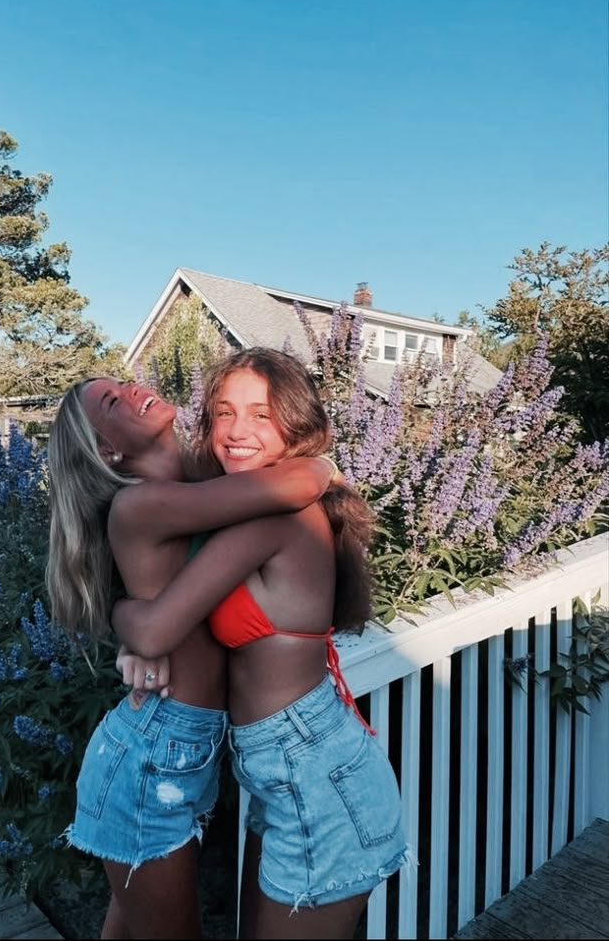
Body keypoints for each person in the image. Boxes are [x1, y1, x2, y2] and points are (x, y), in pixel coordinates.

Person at [111, 348, 410, 940]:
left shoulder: (273, 515)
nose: (237, 431)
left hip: (317, 774)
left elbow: (155, 627)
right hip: (290, 767)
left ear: (296, 426)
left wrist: (121, 619)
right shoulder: (262, 500)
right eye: (223, 412)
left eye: (262, 415)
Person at [45, 373, 337, 940]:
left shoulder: (197, 490)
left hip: (180, 748)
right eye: (113, 401)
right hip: (152, 749)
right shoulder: (142, 502)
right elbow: (293, 483)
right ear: (109, 449)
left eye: (125, 383)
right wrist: (326, 466)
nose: (133, 390)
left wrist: (129, 625)